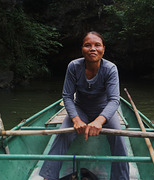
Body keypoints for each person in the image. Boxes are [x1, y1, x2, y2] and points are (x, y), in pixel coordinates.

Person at [39, 31, 129, 180]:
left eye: (97, 45)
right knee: (63, 134)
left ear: (103, 49)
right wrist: (75, 119)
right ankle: (48, 176)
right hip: (80, 109)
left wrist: (99, 121)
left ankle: (121, 178)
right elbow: (67, 96)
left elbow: (114, 100)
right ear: (82, 49)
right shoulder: (74, 66)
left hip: (103, 110)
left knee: (118, 136)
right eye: (88, 45)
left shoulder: (110, 68)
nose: (92, 48)